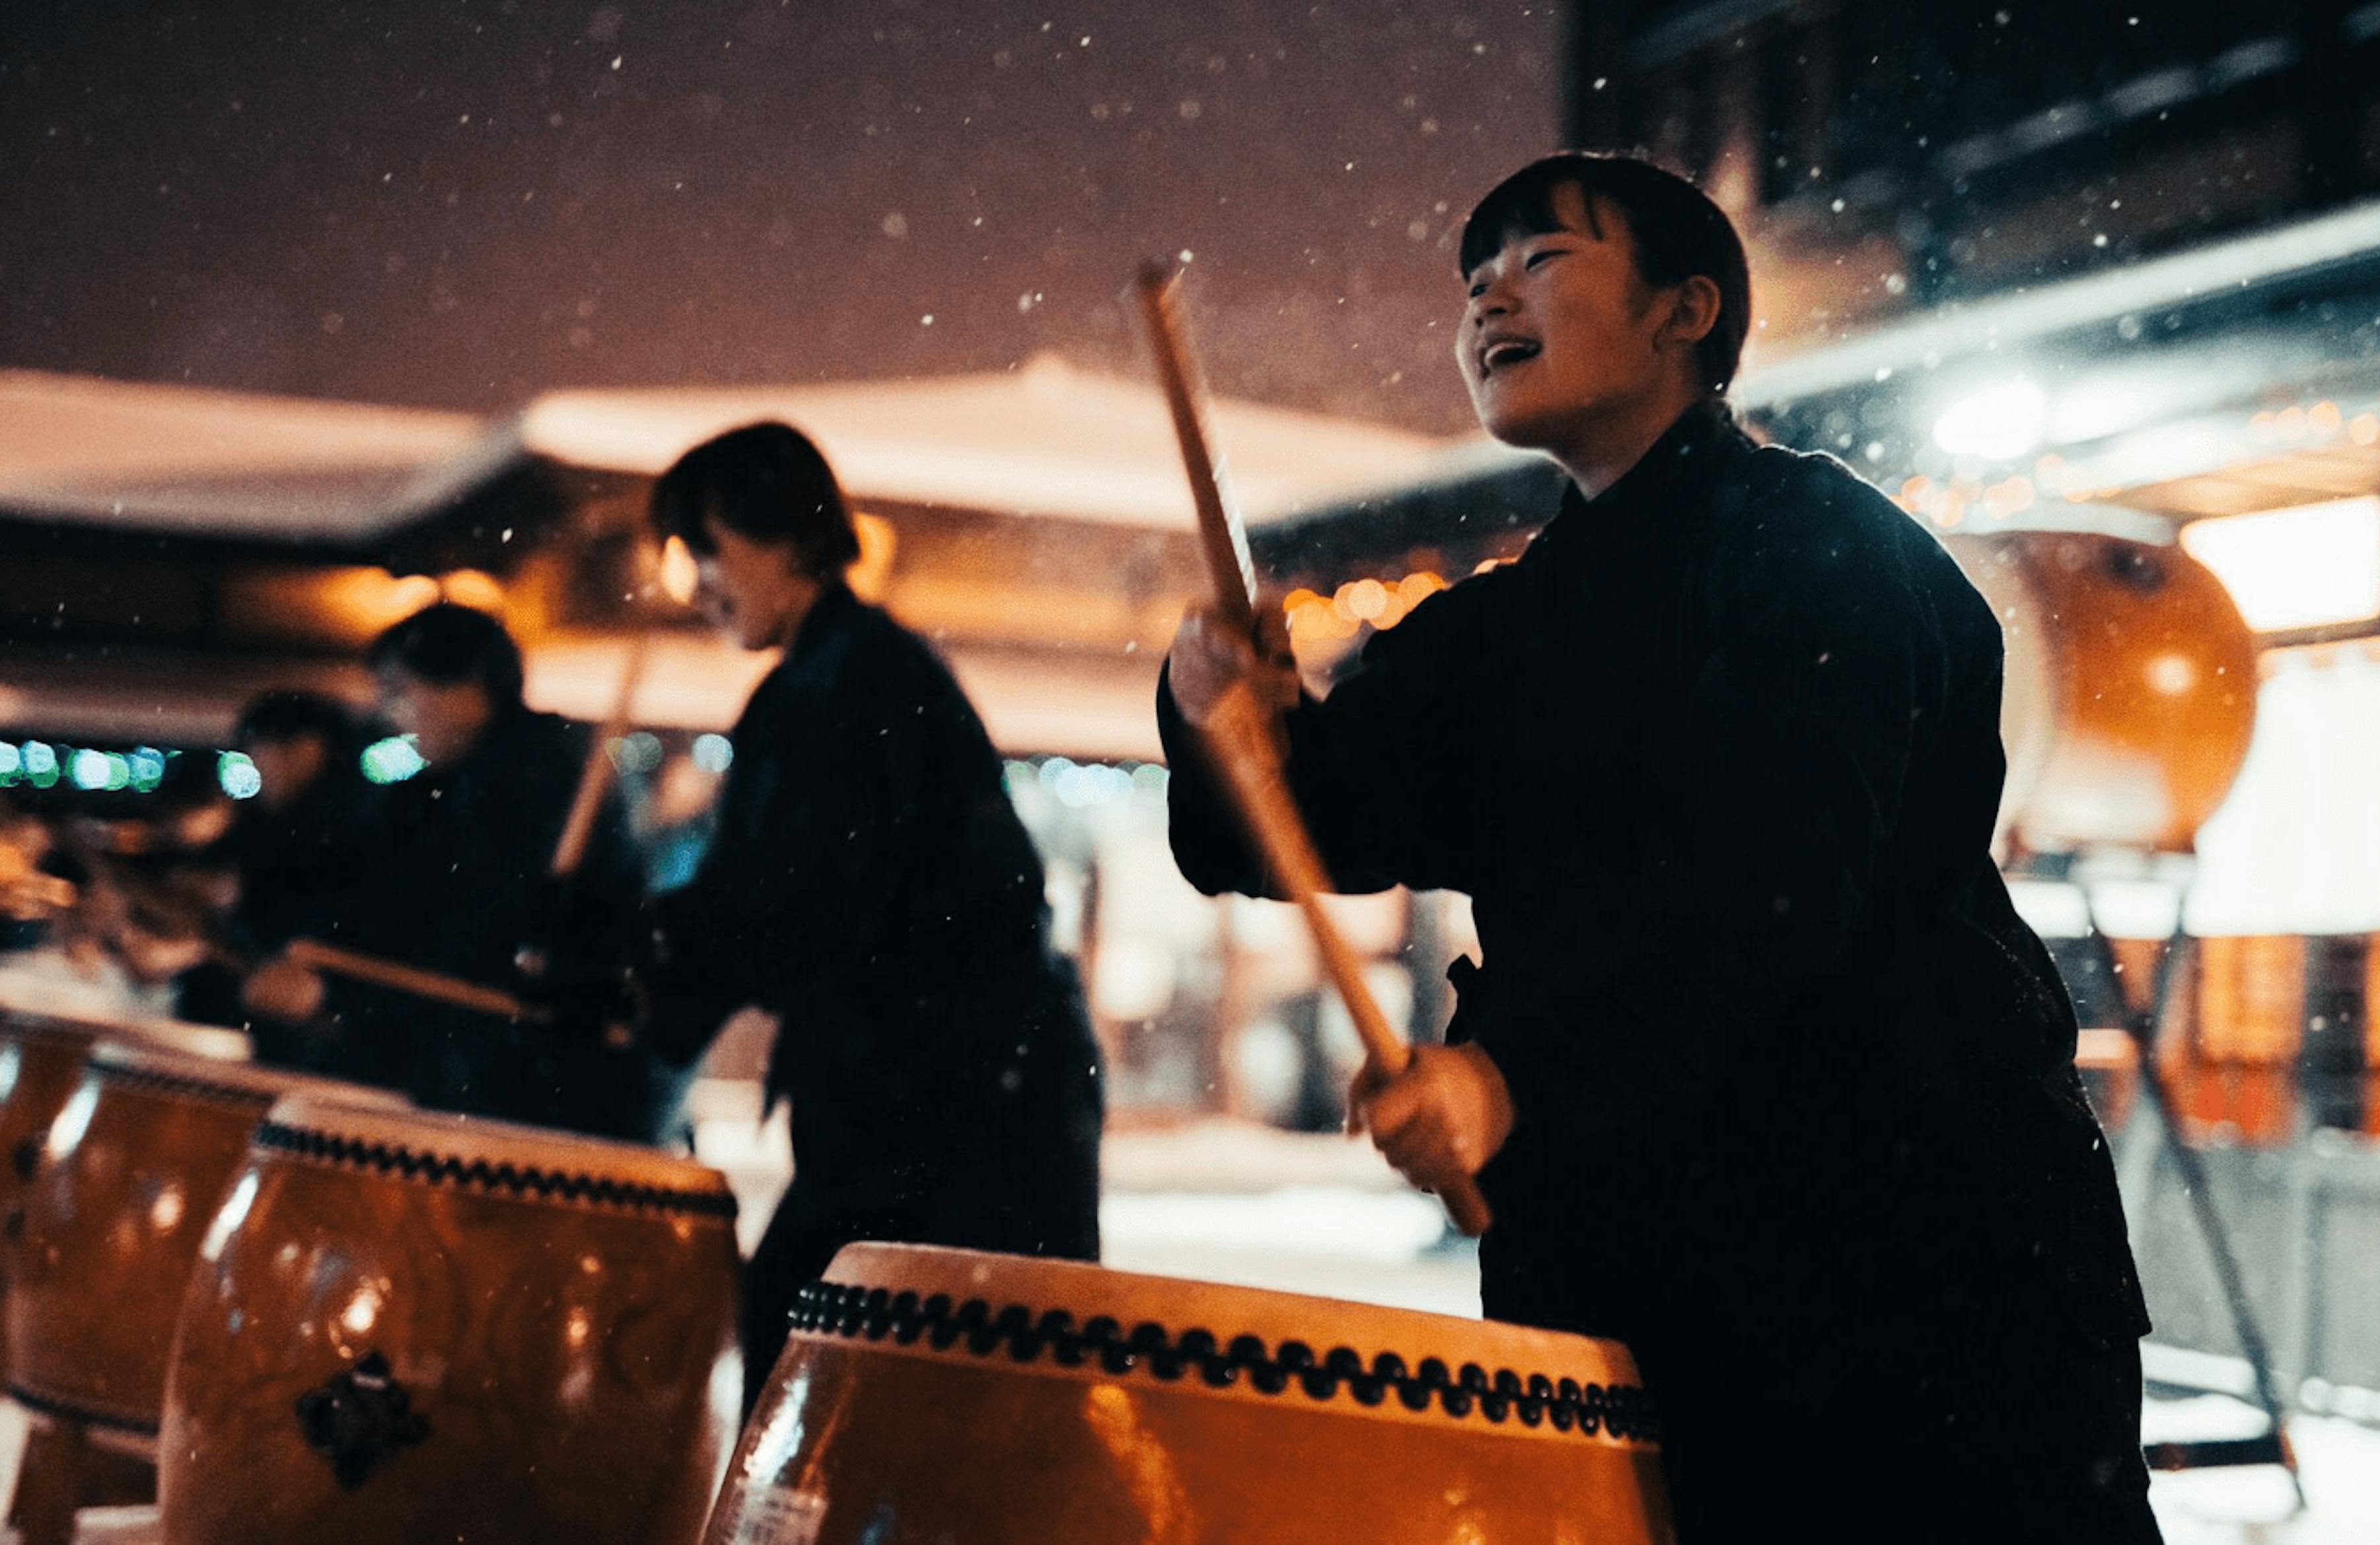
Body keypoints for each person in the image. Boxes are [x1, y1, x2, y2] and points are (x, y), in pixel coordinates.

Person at [1161, 152, 2160, 1541]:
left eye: (1541, 259)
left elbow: (1769, 888)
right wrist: (1220, 711)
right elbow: (1296, 825)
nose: (1487, 298)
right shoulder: (1508, 624)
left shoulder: (1828, 550)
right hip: (1629, 1255)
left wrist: (1520, 1072)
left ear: (1686, 309)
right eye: (1472, 279)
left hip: (1908, 1249)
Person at [638, 421, 1104, 1404]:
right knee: (845, 1379)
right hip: (920, 1101)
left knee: (865, 1388)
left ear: (790, 538)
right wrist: (643, 964)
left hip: (961, 1116)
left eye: (709, 549)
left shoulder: (862, 687)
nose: (698, 585)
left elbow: (794, 904)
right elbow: (757, 900)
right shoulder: (822, 682)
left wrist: (647, 964)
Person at [246, 603, 684, 1141]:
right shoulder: (464, 781)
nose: (394, 713)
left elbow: (471, 942)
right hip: (503, 1082)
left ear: (470, 681)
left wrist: (334, 996)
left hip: (553, 1097)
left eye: (402, 690)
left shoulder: (536, 777)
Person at [176, 690, 382, 1065]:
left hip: (308, 1023)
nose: (266, 761)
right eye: (259, 747)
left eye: (279, 746)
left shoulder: (353, 826)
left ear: (320, 749)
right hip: (253, 1005)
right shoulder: (260, 822)